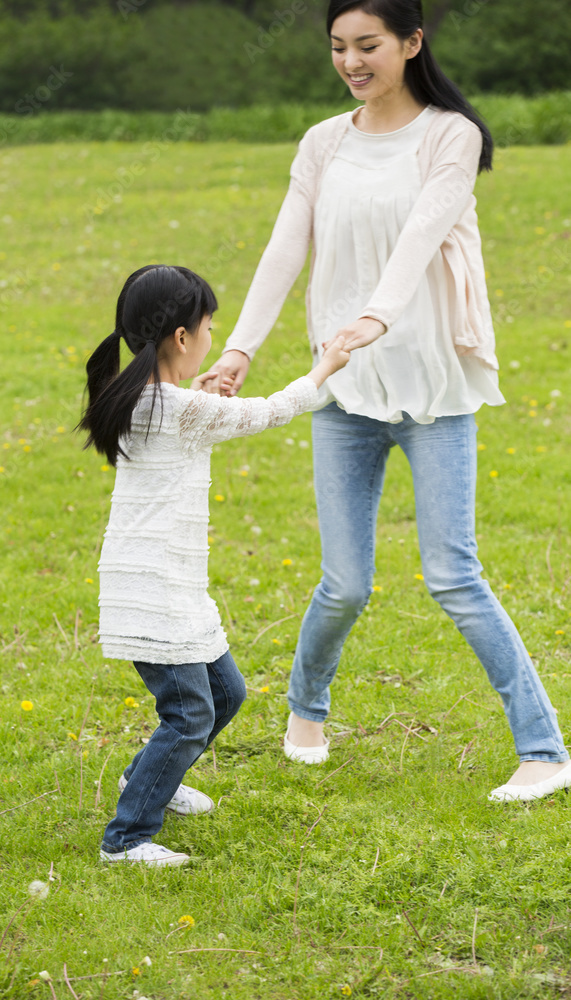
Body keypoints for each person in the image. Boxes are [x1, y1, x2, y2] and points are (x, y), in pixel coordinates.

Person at [212, 0, 571, 802]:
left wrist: (376, 313)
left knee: (452, 574)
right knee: (343, 583)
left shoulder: (451, 135)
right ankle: (306, 711)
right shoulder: (322, 143)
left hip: (433, 384)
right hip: (341, 387)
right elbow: (285, 246)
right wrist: (240, 347)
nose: (350, 61)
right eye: (337, 46)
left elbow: (421, 233)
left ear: (410, 44)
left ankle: (544, 751)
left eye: (367, 45)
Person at [78, 264, 352, 865]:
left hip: (166, 582)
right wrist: (324, 368)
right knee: (190, 712)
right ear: (182, 337)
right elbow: (267, 412)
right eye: (208, 327)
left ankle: (147, 779)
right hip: (154, 589)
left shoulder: (147, 396)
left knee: (224, 693)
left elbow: (185, 424)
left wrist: (199, 396)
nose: (211, 335)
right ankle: (126, 840)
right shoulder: (173, 406)